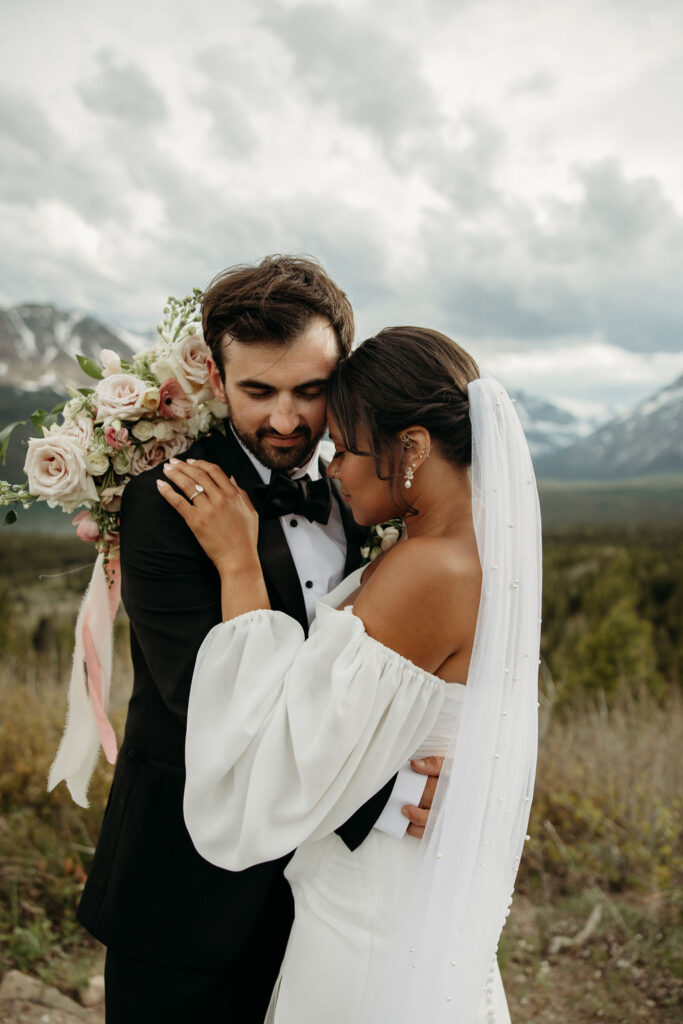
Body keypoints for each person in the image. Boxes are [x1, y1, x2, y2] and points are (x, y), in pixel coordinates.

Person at [76, 257, 442, 1024]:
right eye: (258, 391)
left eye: (310, 391)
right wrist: (381, 796)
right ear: (215, 374)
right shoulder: (168, 501)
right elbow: (214, 710)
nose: (286, 420)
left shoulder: (354, 490)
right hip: (181, 882)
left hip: (308, 894)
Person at [160, 326, 543, 1022]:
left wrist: (239, 567)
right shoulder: (473, 547)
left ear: (414, 449)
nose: (330, 467)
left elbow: (278, 768)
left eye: (343, 444)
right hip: (402, 889)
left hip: (372, 911)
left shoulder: (429, 570)